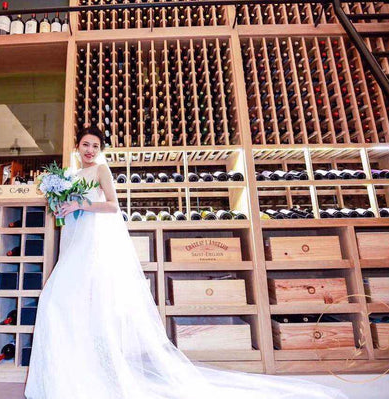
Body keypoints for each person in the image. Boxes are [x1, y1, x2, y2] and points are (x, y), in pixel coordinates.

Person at [24, 126, 348, 399]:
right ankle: (73, 372)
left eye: (96, 145)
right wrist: (63, 205)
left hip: (93, 246)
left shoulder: (100, 170)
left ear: (101, 149)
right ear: (78, 147)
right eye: (86, 144)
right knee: (65, 305)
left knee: (67, 302)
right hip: (76, 245)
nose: (90, 149)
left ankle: (87, 374)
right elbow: (64, 211)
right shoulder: (70, 174)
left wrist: (82, 203)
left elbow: (112, 206)